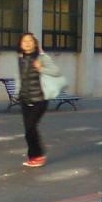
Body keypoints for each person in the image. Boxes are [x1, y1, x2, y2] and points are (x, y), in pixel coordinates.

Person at [17, 32, 65, 168]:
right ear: (20, 44)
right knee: (28, 130)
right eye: (24, 41)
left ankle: (38, 155)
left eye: (30, 41)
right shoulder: (20, 58)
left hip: (40, 98)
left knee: (31, 127)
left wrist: (42, 68)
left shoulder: (42, 57)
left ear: (35, 43)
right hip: (25, 98)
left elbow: (56, 71)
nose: (27, 43)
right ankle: (33, 156)